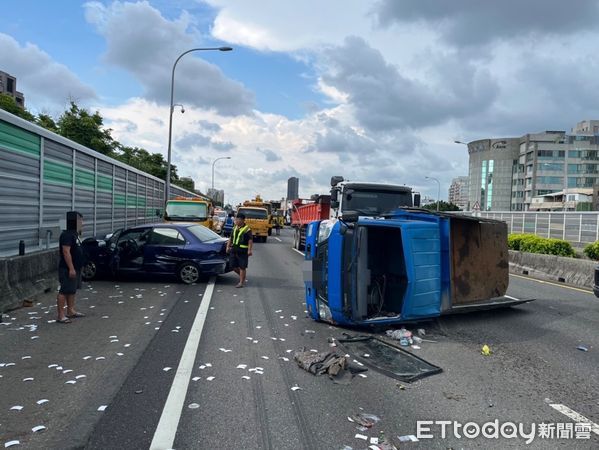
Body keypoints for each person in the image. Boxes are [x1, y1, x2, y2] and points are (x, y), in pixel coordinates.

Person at [56, 211, 86, 323]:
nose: (82, 222)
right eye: (80, 220)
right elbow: (66, 252)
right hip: (67, 268)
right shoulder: (66, 235)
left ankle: (71, 310)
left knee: (72, 290)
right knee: (64, 290)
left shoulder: (75, 234)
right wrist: (71, 268)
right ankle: (61, 315)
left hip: (76, 267)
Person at [226, 213, 253, 288]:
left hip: (243, 251)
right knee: (233, 266)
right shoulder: (235, 228)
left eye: (238, 219)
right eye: (236, 219)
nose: (237, 221)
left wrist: (249, 250)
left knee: (242, 267)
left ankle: (241, 282)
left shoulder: (247, 229)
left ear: (243, 220)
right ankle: (243, 276)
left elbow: (250, 240)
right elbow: (231, 238)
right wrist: (228, 246)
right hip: (234, 249)